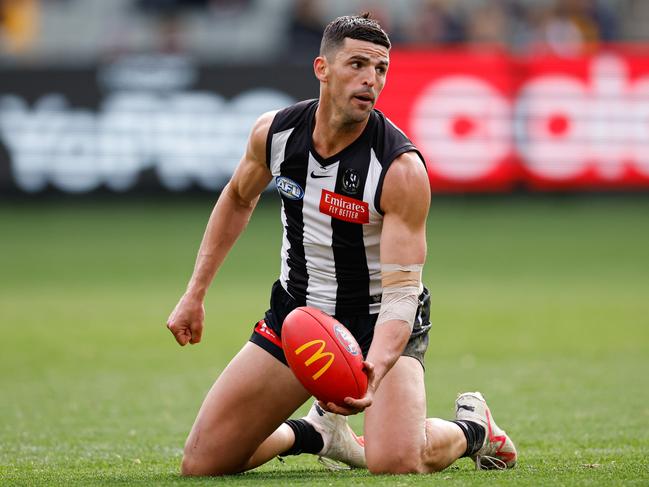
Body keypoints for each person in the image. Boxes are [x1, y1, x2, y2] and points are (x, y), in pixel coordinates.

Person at [166, 13, 517, 476]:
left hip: (380, 322)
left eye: (381, 69)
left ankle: (474, 429)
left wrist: (371, 365)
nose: (371, 80)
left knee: (393, 461)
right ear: (322, 69)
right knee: (203, 464)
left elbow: (401, 291)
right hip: (301, 318)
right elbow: (236, 198)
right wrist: (195, 294)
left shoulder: (400, 169)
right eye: (357, 64)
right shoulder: (275, 134)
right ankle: (316, 433)